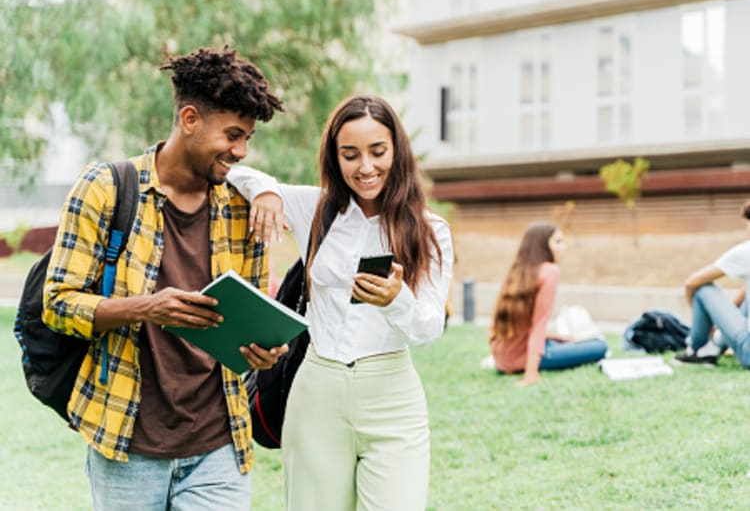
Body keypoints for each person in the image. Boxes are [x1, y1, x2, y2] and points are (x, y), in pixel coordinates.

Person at [43, 47, 289, 510]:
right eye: (233, 135)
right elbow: (57, 304)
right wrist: (147, 308)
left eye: (248, 138)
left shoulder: (244, 206)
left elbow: (253, 316)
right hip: (127, 444)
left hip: (219, 445)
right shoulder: (105, 188)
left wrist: (264, 351)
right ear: (190, 119)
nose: (241, 151)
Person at [228, 94, 454, 511]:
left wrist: (395, 300)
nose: (365, 167)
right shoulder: (315, 208)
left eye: (377, 152)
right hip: (318, 389)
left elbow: (428, 329)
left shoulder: (430, 230)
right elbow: (235, 174)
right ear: (335, 158)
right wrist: (266, 194)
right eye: (350, 154)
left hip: (392, 394)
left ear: (397, 152)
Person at [487, 222, 608, 386]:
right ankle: (530, 364)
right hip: (523, 358)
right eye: (558, 242)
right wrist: (531, 374)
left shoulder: (518, 271)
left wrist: (555, 337)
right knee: (599, 346)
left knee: (569, 340)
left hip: (503, 359)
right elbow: (539, 324)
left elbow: (500, 325)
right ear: (542, 246)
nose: (564, 247)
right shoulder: (550, 271)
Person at [675, 199, 750, 367]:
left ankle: (697, 347)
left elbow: (691, 283)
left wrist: (705, 323)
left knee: (703, 289)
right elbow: (744, 294)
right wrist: (720, 320)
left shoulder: (747, 251)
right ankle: (714, 346)